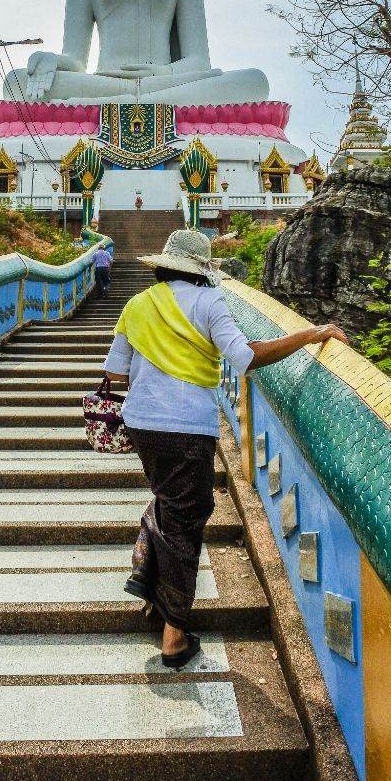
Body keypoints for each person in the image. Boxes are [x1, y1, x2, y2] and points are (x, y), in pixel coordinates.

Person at [102, 228, 348, 668]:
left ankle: (147, 578)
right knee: (188, 516)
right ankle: (174, 633)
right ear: (201, 270)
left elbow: (117, 374)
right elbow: (246, 358)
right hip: (186, 427)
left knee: (171, 502)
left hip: (140, 423)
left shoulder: (138, 305)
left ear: (163, 264)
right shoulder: (209, 301)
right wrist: (308, 336)